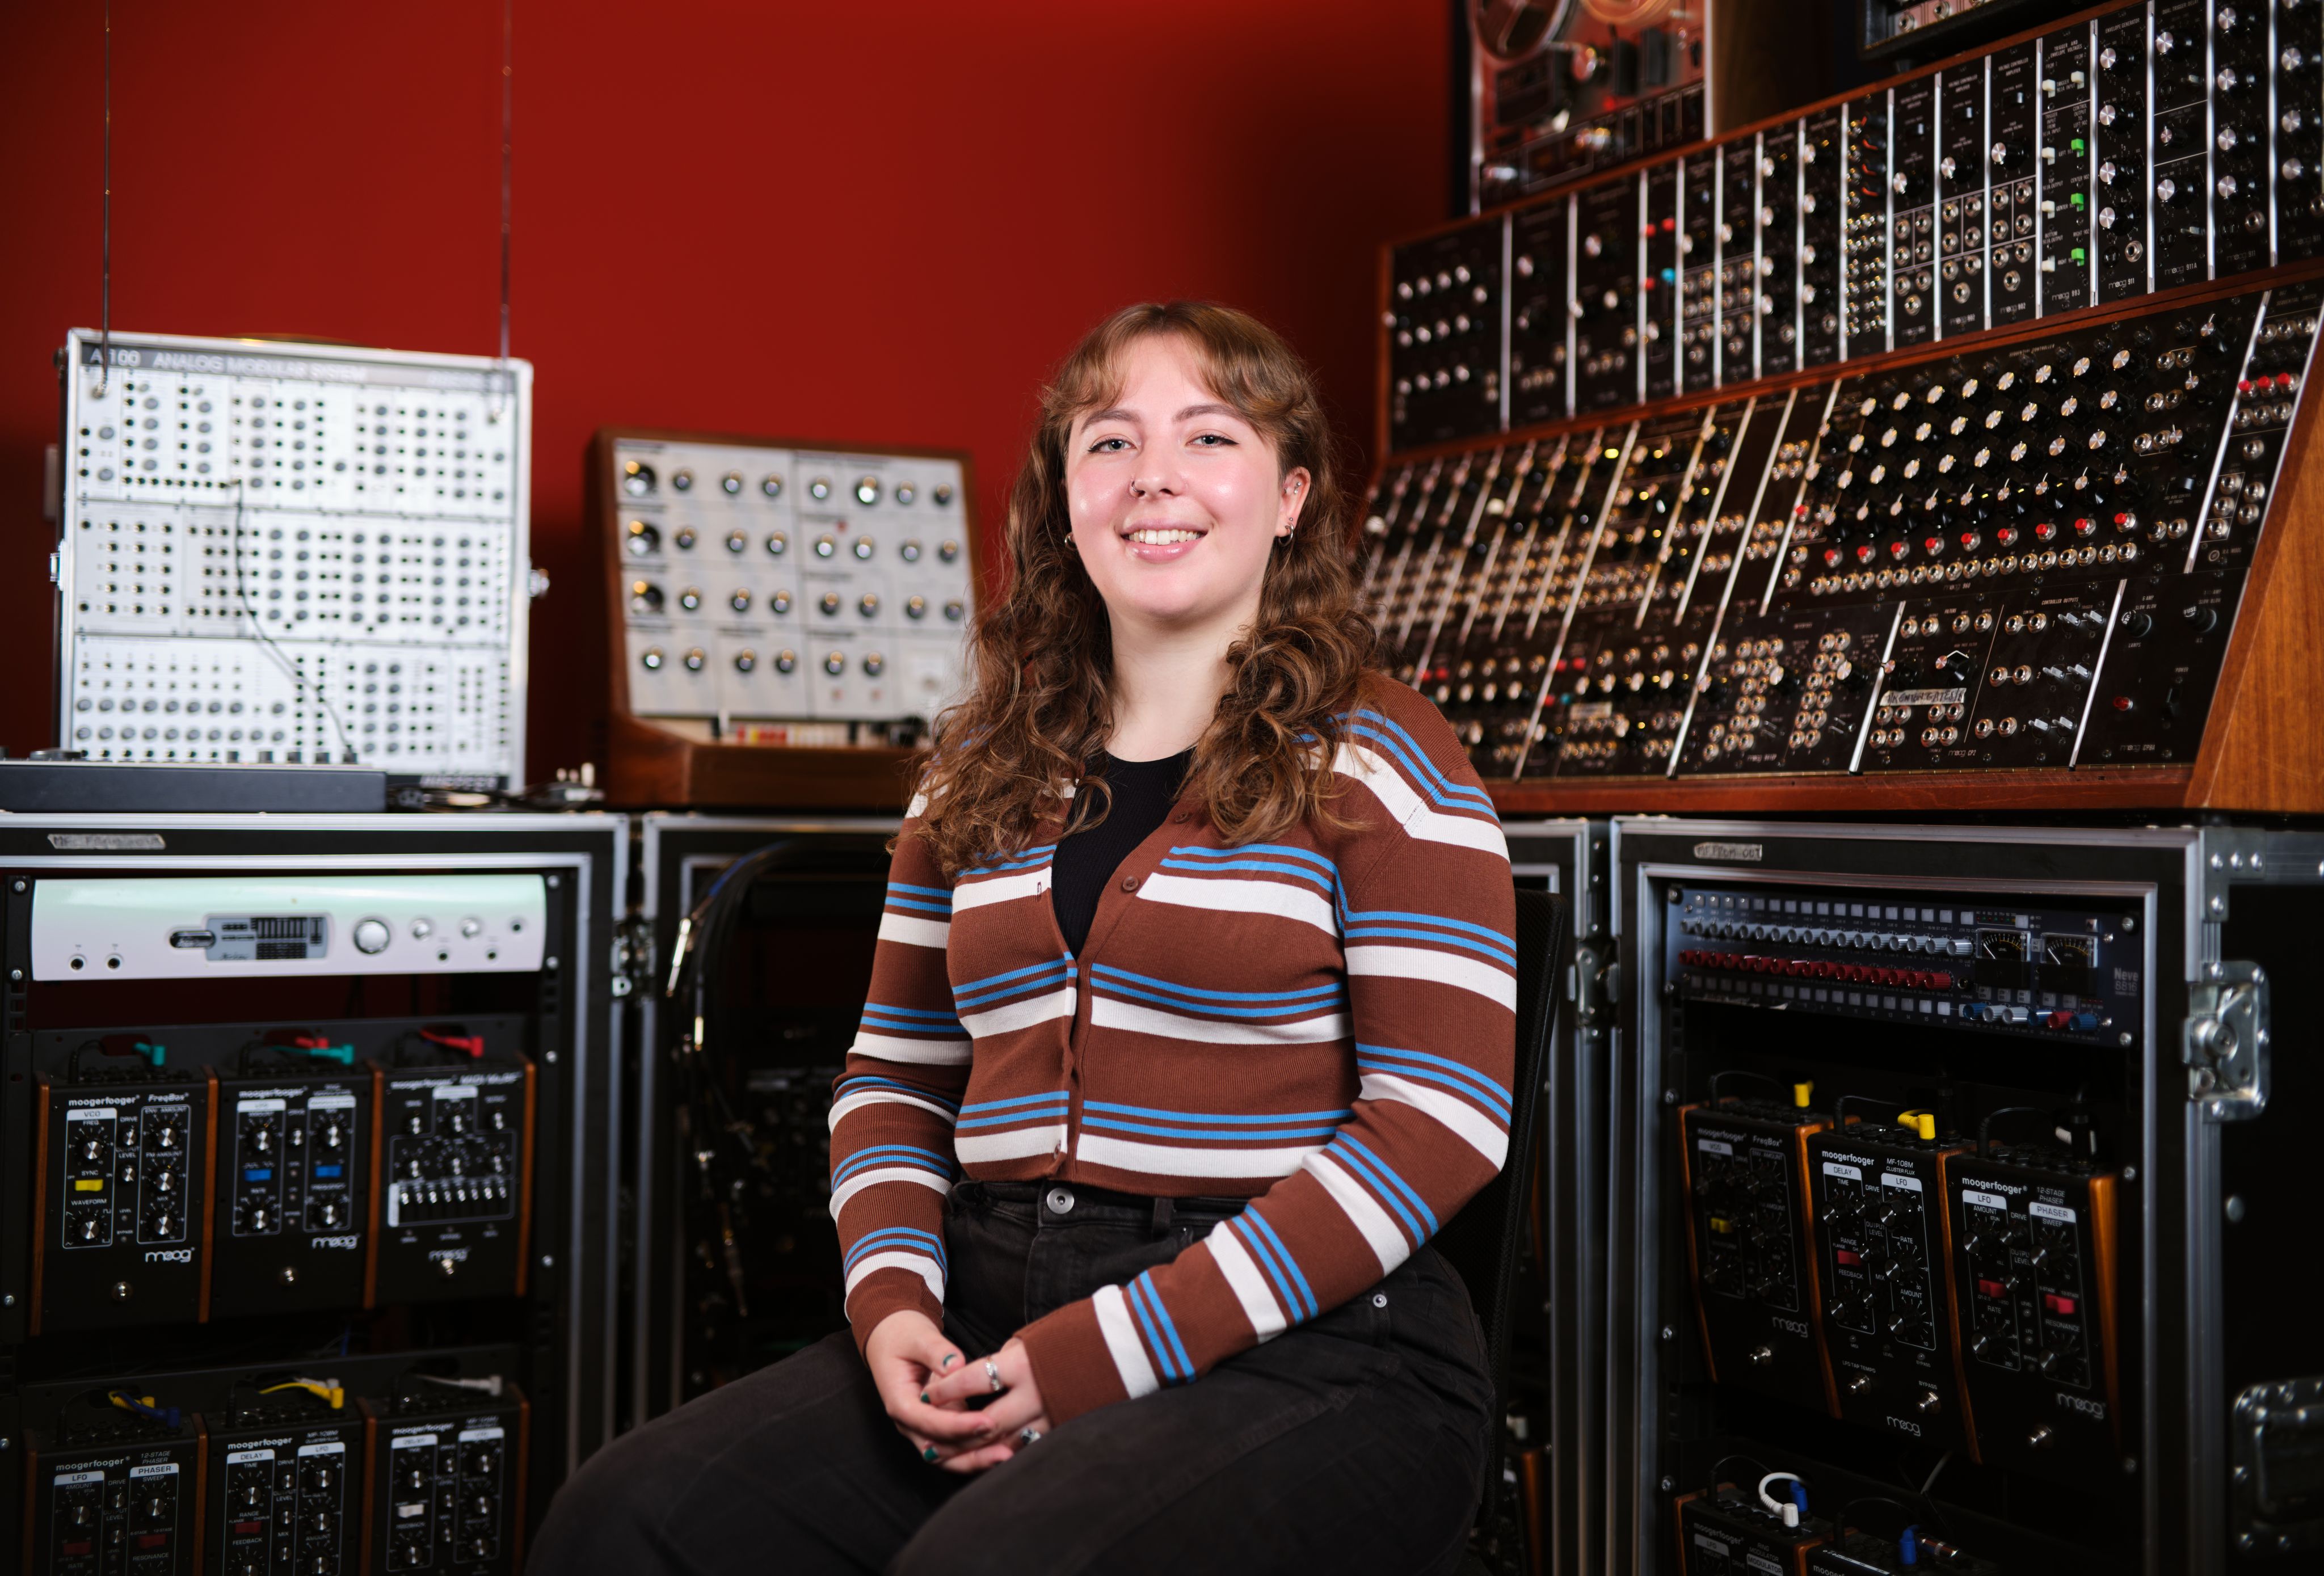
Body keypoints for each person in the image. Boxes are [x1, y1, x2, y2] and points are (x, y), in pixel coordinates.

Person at [532, 302, 1518, 1575]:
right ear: (1064, 503)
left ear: (1288, 498)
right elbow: (891, 1081)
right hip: (988, 1311)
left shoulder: (1385, 753)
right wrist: (891, 1303)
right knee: (622, 1525)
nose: (1152, 475)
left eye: (1207, 436)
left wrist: (1100, 1354)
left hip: (1315, 1347)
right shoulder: (976, 774)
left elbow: (1441, 1121)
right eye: (1108, 443)